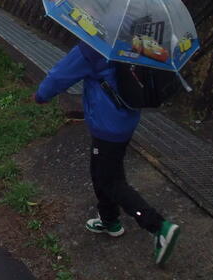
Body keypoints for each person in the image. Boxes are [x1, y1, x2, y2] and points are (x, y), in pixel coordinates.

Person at [34, 42, 181, 267]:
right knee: (102, 171)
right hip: (126, 118)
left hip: (107, 124)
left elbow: (60, 75)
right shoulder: (132, 39)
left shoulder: (93, 48)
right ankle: (109, 219)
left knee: (110, 181)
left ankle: (158, 227)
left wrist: (41, 96)